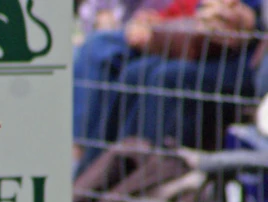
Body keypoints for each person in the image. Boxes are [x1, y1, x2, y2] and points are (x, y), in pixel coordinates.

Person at [73, 0, 262, 178]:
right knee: (133, 71)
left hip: (248, 53)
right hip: (199, 39)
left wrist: (253, 17)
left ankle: (141, 179)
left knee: (167, 77)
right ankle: (97, 176)